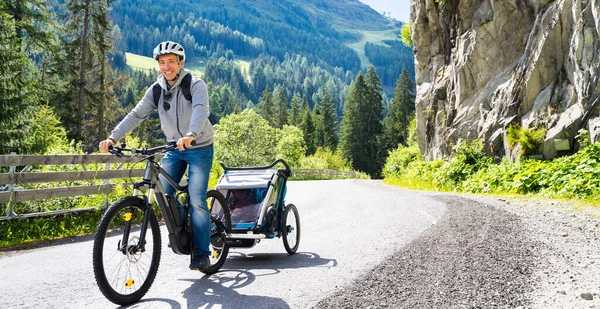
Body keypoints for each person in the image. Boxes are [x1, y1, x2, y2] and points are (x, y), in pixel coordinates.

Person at [99, 41, 214, 270]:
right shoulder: (157, 89)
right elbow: (136, 114)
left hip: (199, 146)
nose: (167, 67)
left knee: (197, 199)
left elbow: (202, 109)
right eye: (162, 62)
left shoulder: (195, 84)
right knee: (164, 194)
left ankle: (202, 252)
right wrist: (113, 137)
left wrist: (191, 133)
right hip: (173, 147)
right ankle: (184, 223)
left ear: (181, 63)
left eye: (171, 61)